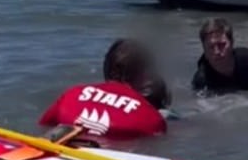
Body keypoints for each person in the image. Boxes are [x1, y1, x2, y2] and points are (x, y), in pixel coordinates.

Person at [39, 38, 171, 138]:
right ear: (144, 74)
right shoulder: (152, 119)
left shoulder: (72, 94)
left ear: (107, 67)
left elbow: (43, 127)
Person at [191, 17, 248, 93]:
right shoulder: (201, 80)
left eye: (221, 45)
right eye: (211, 47)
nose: (216, 52)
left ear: (232, 43)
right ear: (204, 50)